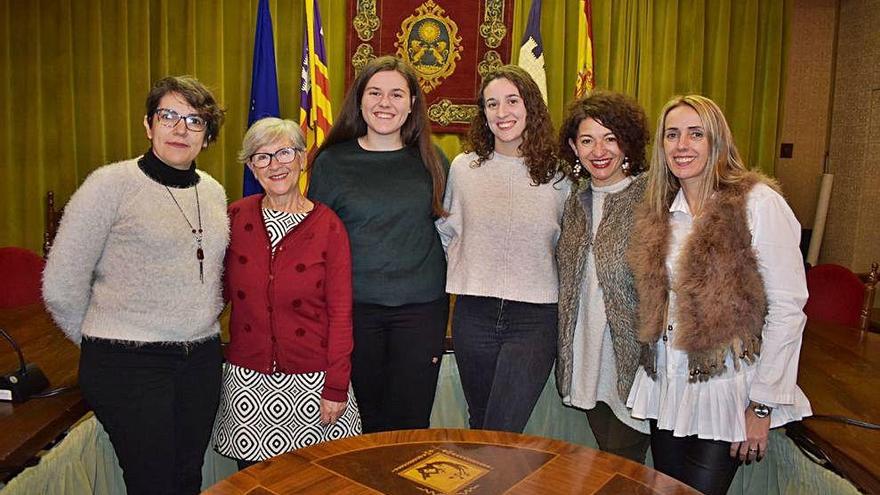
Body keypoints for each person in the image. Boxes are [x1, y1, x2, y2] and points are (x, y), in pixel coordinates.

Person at [42, 75, 228, 495]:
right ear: (148, 125)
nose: (181, 129)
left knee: (187, 477)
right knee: (153, 483)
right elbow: (60, 283)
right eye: (169, 116)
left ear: (207, 135)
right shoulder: (110, 185)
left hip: (199, 360)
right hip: (128, 364)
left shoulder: (214, 193)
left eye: (194, 121)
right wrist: (105, 342)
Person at [626, 95, 812, 494]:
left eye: (697, 134)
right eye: (672, 135)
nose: (682, 145)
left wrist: (761, 405)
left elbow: (788, 309)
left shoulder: (758, 203)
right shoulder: (661, 211)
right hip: (668, 388)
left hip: (723, 391)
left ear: (718, 143)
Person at [308, 55, 448, 433]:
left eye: (397, 94)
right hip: (354, 311)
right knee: (360, 422)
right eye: (375, 92)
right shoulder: (331, 162)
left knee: (410, 422)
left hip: (421, 312)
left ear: (413, 103)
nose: (385, 103)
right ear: (359, 100)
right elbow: (315, 244)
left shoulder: (434, 160)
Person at [212, 118, 361, 469]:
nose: (275, 165)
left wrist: (336, 386)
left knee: (312, 483)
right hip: (247, 386)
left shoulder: (328, 226)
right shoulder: (234, 217)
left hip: (313, 385)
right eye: (261, 157)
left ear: (302, 158)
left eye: (284, 153)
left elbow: (341, 314)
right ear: (251, 167)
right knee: (255, 485)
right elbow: (213, 294)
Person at [436, 65, 569, 433]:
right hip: (473, 314)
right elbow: (447, 232)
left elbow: (567, 248)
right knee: (480, 422)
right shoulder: (464, 168)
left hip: (534, 319)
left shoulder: (559, 176)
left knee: (503, 428)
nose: (502, 112)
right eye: (491, 104)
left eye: (512, 101)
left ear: (531, 106)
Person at [555, 91, 651, 462]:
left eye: (611, 138)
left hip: (634, 360)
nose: (599, 150)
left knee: (623, 461)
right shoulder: (575, 203)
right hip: (587, 352)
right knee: (612, 461)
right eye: (587, 140)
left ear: (628, 142)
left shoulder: (651, 197)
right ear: (573, 148)